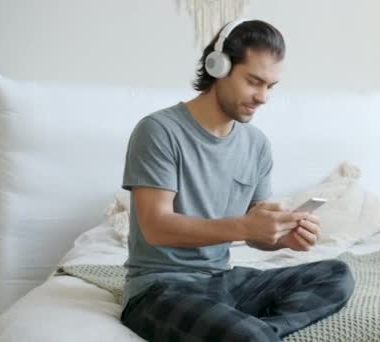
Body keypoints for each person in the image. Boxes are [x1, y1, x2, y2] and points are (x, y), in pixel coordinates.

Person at [119, 19, 355, 342]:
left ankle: (260, 333)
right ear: (218, 67)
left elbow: (257, 231)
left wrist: (282, 237)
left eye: (270, 86)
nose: (263, 98)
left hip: (223, 282)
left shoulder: (256, 145)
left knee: (337, 275)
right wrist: (244, 227)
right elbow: (156, 226)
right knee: (247, 337)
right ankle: (251, 334)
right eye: (254, 82)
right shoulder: (159, 131)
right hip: (160, 289)